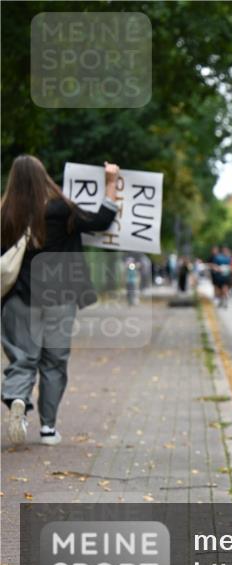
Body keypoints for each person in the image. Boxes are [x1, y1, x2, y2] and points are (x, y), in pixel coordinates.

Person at [1, 157, 121, 445]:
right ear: (44, 177)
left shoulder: (5, 213)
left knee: (23, 357)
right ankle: (48, 428)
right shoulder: (61, 209)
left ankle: (18, 397)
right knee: (54, 361)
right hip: (59, 296)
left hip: (20, 297)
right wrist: (111, 183)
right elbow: (102, 220)